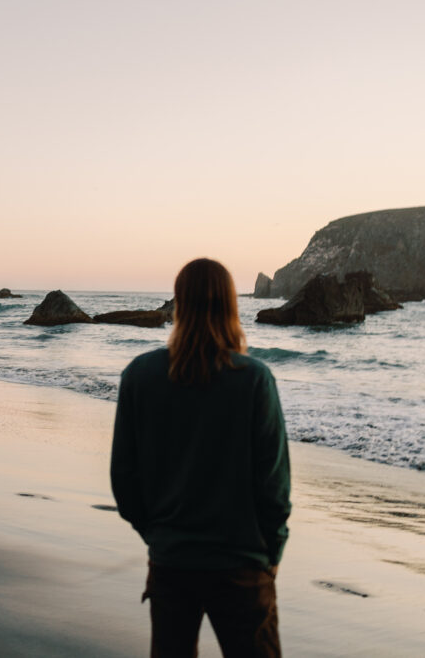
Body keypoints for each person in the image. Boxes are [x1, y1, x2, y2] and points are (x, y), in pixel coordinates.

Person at [111, 258, 291, 658]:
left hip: (172, 562)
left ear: (178, 304)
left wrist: (158, 536)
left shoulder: (139, 375)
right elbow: (274, 485)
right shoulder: (253, 379)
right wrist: (271, 554)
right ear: (231, 305)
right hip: (243, 564)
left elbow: (124, 480)